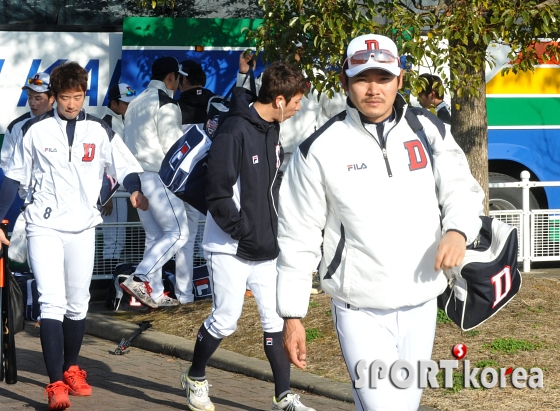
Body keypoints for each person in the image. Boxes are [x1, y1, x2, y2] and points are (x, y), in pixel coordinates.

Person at [276, 34, 485, 411]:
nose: (374, 89)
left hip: (422, 301)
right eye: (362, 78)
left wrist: (458, 230)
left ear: (400, 79)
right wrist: (292, 316)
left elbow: (462, 190)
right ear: (344, 81)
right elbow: (297, 237)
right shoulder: (318, 149)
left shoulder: (428, 129)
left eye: (383, 77)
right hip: (361, 311)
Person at [0, 61, 148, 411]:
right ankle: (54, 384)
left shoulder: (99, 130)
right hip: (44, 226)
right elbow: (12, 181)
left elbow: (124, 166)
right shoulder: (33, 131)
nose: (71, 103)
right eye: (65, 97)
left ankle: (71, 369)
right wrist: (3, 223)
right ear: (53, 97)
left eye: (78, 97)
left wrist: (136, 190)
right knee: (52, 301)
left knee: (77, 303)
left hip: (83, 226)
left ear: (85, 95)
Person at [180, 61, 316, 411]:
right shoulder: (234, 130)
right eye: (298, 101)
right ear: (281, 100)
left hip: (264, 247)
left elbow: (268, 188)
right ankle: (195, 376)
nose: (300, 107)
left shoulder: (271, 128)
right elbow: (217, 193)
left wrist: (271, 231)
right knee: (226, 319)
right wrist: (244, 231)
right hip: (228, 246)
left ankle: (282, 397)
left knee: (275, 319)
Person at [121, 56, 192, 308]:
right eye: (177, 78)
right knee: (179, 233)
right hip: (160, 177)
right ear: (171, 77)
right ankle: (140, 277)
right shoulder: (167, 104)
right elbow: (174, 148)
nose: (177, 83)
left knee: (155, 236)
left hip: (139, 178)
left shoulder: (135, 103)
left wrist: (135, 187)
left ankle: (156, 294)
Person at [237, 51, 346, 171]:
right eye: (285, 48)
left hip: (305, 159)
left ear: (302, 49)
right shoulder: (272, 76)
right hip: (274, 158)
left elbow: (340, 111)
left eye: (292, 49)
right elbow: (245, 102)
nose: (287, 53)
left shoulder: (315, 76)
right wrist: (245, 73)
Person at [175, 59, 217, 303]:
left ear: (184, 80)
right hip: (216, 181)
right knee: (215, 240)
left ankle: (185, 296)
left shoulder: (174, 106)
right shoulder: (218, 102)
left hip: (189, 182)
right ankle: (217, 293)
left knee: (187, 239)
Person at [99, 83, 136, 272]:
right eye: (126, 103)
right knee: (113, 236)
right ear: (114, 104)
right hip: (113, 189)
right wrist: (106, 195)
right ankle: (107, 279)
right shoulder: (106, 123)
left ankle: (113, 276)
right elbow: (102, 162)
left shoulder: (122, 120)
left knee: (119, 235)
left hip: (125, 187)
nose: (130, 107)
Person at [1, 72, 55, 171]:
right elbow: (5, 163)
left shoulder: (62, 123)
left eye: (38, 98)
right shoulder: (15, 126)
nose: (32, 103)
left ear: (52, 98)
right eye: (30, 97)